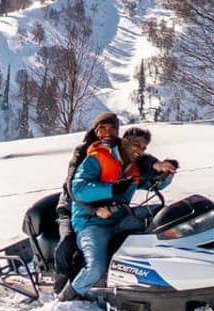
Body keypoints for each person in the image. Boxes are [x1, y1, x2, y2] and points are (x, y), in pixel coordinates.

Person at [66, 127, 178, 301]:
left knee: (162, 214)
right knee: (96, 267)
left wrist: (166, 175)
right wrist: (112, 189)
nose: (139, 151)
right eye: (136, 145)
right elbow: (78, 189)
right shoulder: (97, 158)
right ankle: (69, 296)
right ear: (124, 141)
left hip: (121, 218)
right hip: (91, 223)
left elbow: (152, 185)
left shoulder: (133, 167)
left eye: (143, 148)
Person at [53, 112, 122, 282]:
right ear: (95, 130)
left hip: (104, 205)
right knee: (69, 240)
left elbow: (139, 157)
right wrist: (92, 208)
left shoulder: (118, 149)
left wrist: (158, 167)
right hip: (72, 206)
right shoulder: (84, 150)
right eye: (103, 128)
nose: (107, 132)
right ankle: (60, 280)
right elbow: (72, 186)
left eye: (112, 128)